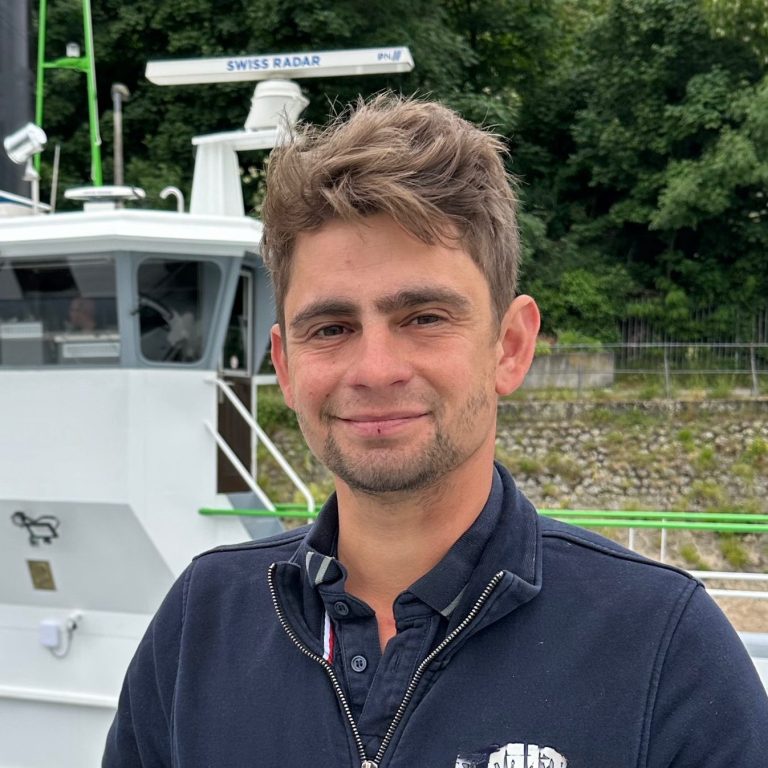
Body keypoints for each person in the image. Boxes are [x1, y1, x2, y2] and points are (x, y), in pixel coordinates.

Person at [103, 95, 768, 768]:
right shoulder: (199, 624)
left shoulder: (663, 649)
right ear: (285, 364)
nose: (375, 369)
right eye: (331, 328)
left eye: (424, 318)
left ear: (510, 346)